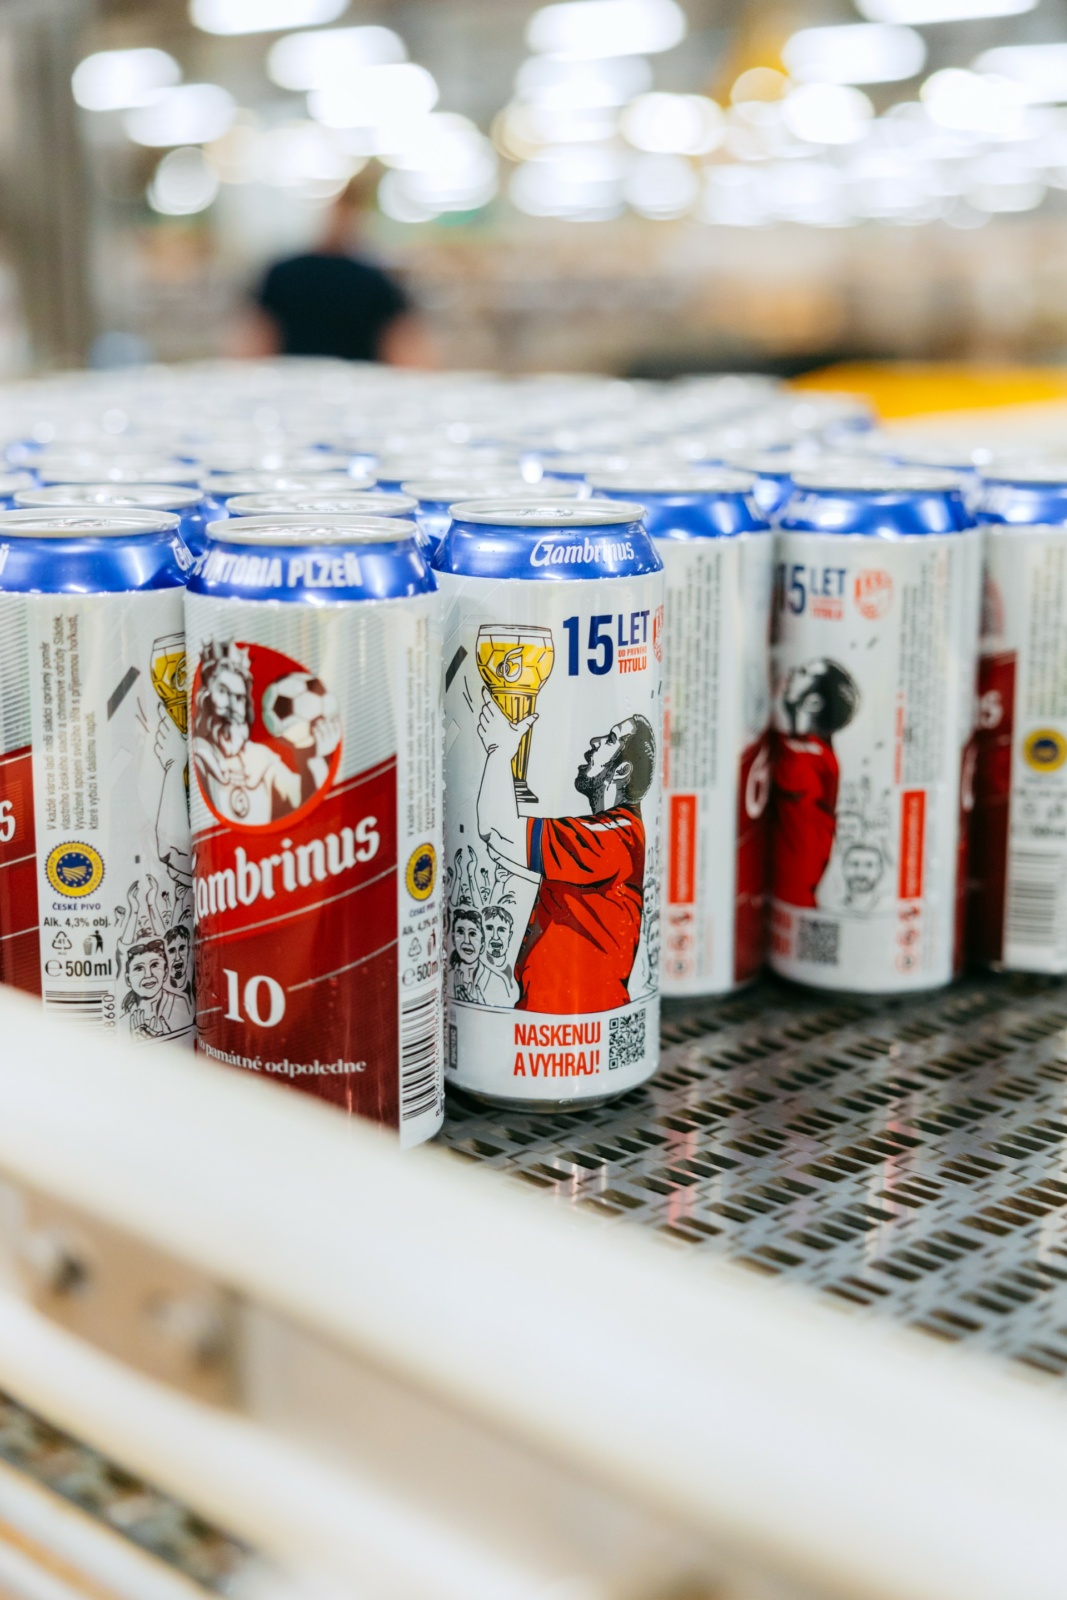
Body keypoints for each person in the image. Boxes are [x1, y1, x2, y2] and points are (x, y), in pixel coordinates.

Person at [476, 692, 655, 1014]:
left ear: (622, 771)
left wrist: (499, 750)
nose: (595, 742)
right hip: (554, 1013)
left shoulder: (612, 837)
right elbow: (502, 851)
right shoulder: (615, 832)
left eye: (610, 740)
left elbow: (495, 830)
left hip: (575, 1016)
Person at [234, 170, 435, 367]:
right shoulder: (282, 274)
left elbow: (403, 349)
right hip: (298, 382)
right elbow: (256, 341)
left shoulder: (377, 282)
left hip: (348, 384)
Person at [192, 641, 340, 826]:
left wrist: (316, 757)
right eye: (223, 692)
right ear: (205, 697)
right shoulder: (199, 757)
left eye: (239, 698)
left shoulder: (261, 759)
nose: (232, 705)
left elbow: (301, 802)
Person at [771, 658, 859, 909]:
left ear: (813, 703)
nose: (793, 670)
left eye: (803, 671)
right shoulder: (812, 752)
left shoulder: (812, 759)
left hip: (796, 897)